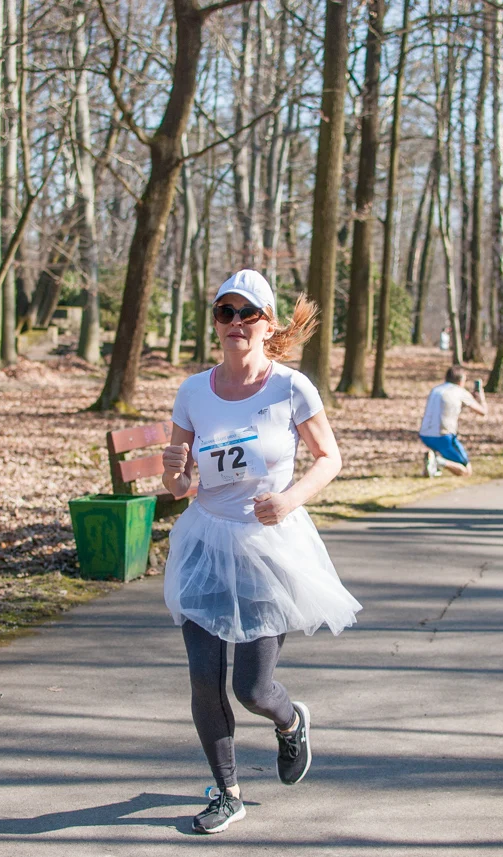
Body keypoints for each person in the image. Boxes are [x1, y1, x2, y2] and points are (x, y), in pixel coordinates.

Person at [161, 269, 362, 835]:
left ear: (268, 325)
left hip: (267, 547)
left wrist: (290, 499)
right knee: (204, 679)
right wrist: (175, 473)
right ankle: (226, 793)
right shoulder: (193, 391)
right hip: (205, 542)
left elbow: (329, 458)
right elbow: (179, 485)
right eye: (225, 312)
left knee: (251, 689)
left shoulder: (291, 388)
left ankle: (290, 720)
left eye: (247, 313)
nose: (235, 322)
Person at [419, 365, 487, 477]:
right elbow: (483, 412)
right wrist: (481, 397)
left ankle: (433, 465)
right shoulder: (460, 392)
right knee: (467, 471)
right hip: (444, 437)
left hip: (424, 435)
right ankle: (438, 462)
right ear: (461, 380)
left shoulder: (435, 390)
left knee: (442, 450)